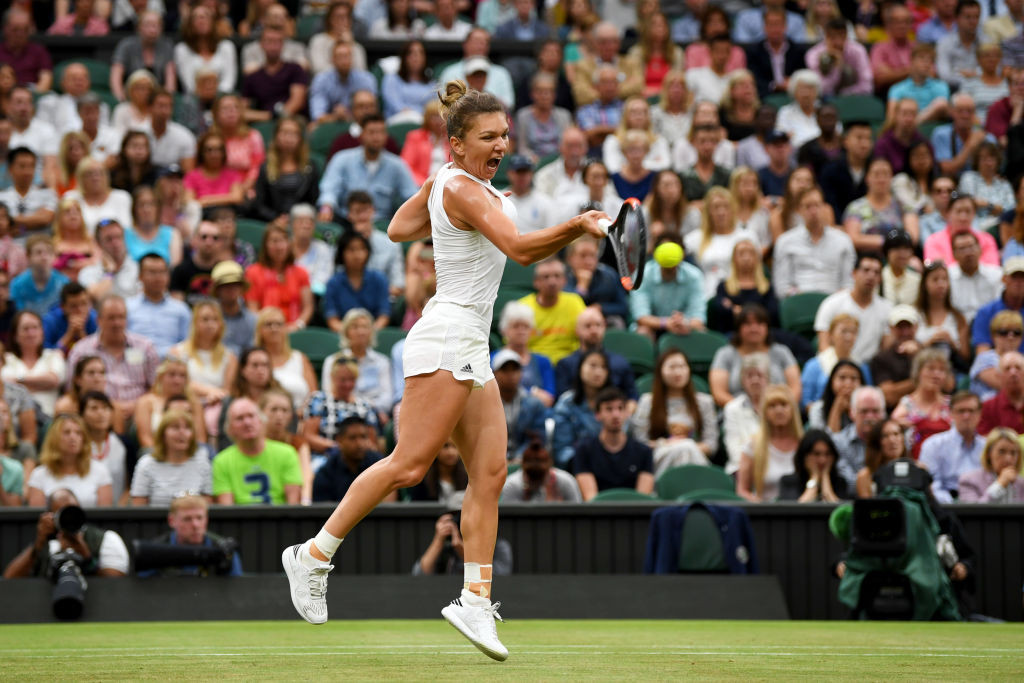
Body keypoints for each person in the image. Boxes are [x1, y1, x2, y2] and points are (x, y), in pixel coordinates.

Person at [280, 82, 608, 661]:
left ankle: (474, 600)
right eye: (488, 137)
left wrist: (434, 190)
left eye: (504, 135)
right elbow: (521, 251)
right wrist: (577, 224)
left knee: (490, 472)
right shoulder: (462, 187)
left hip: (471, 341)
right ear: (456, 143)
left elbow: (397, 229)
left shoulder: (456, 185)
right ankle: (313, 555)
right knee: (409, 466)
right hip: (448, 333)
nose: (501, 145)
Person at [2, 488, 129, 580]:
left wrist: (87, 558)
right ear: (50, 516)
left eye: (73, 511)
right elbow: (9, 580)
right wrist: (37, 546)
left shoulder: (106, 539)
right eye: (62, 514)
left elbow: (116, 585)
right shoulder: (44, 543)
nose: (69, 519)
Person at [66, 295, 160, 416]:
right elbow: (71, 390)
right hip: (97, 414)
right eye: (111, 318)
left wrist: (137, 406)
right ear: (99, 320)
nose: (117, 323)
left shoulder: (145, 347)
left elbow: (156, 388)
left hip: (139, 413)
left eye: (121, 317)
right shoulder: (82, 350)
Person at [631, 349, 718, 477]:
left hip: (694, 455)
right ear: (660, 371)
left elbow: (711, 445)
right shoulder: (648, 401)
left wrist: (685, 447)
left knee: (685, 447)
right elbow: (640, 442)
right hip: (661, 456)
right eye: (672, 367)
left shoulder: (705, 402)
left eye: (682, 366)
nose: (678, 372)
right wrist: (666, 444)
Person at [318, 114, 418, 223]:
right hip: (346, 220)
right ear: (361, 135)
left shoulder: (397, 165)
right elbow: (329, 189)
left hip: (381, 223)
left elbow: (412, 195)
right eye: (371, 132)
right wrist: (326, 208)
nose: (376, 137)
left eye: (381, 132)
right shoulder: (342, 159)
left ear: (386, 136)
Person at [709, 303, 801, 408]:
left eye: (759, 323)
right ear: (738, 328)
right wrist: (746, 409)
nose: (754, 328)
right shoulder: (725, 354)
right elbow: (718, 393)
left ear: (767, 327)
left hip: (778, 411)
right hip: (737, 412)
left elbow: (795, 389)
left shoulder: (782, 352)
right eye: (748, 324)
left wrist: (775, 409)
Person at [214, 397, 302, 505]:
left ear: (262, 421)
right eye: (239, 418)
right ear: (230, 429)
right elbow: (226, 509)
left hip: (280, 515)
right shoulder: (222, 462)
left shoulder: (287, 453)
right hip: (239, 516)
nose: (247, 422)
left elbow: (293, 505)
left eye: (251, 416)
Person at [772, 186, 856, 298]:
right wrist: (803, 298)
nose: (813, 211)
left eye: (817, 205)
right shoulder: (785, 242)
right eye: (808, 206)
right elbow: (782, 287)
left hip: (834, 300)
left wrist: (834, 301)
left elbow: (848, 284)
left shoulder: (843, 241)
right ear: (799, 210)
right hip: (799, 301)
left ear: (825, 208)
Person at [573, 387, 654, 501]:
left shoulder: (644, 452)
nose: (616, 414)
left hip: (633, 512)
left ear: (627, 413)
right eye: (609, 409)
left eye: (620, 408)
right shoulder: (584, 450)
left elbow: (642, 500)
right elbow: (591, 499)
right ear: (597, 415)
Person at [813, 254, 893, 364]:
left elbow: (886, 348)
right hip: (835, 365)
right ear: (854, 273)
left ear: (880, 279)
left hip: (869, 368)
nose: (871, 276)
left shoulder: (887, 308)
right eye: (866, 270)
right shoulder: (831, 303)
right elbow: (823, 345)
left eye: (876, 272)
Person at [137, 494, 242, 577]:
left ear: (206, 519)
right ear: (171, 521)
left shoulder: (224, 550)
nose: (195, 525)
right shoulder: (156, 551)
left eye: (199, 518)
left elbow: (237, 590)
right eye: (187, 519)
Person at [320, 308, 394, 421]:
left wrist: (364, 405)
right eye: (355, 327)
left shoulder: (382, 361)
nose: (361, 332)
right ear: (346, 332)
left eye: (365, 327)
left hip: (374, 414)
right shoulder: (332, 361)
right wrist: (360, 404)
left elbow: (387, 399)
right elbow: (328, 394)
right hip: (340, 413)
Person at [26, 414, 113, 508]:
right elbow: (37, 514)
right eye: (67, 432)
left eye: (78, 433)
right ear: (54, 438)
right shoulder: (39, 475)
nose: (73, 437)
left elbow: (104, 514)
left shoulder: (100, 471)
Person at [129, 409, 212, 507]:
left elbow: (207, 508)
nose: (182, 432)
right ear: (162, 434)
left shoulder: (203, 465)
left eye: (187, 428)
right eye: (175, 427)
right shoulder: (146, 464)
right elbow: (138, 509)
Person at [736, 385, 803, 502]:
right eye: (772, 406)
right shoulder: (752, 446)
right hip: (765, 510)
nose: (779, 411)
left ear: (793, 410)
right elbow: (742, 490)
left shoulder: (804, 444)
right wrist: (758, 504)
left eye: (784, 405)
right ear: (764, 412)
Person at [303, 355, 381, 455]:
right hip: (327, 455)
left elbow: (372, 443)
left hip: (359, 457)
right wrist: (339, 449)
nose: (347, 384)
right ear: (333, 377)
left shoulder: (364, 406)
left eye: (352, 379)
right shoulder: (319, 400)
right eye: (343, 380)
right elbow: (308, 436)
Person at [919, 391, 985, 503]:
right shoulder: (933, 445)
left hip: (983, 504)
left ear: (979, 414)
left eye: (971, 411)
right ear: (951, 413)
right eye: (961, 411)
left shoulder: (988, 447)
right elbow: (932, 484)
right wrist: (954, 504)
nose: (966, 416)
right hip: (945, 504)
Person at [519, 258, 587, 365]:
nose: (552, 282)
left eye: (557, 276)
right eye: (546, 277)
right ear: (536, 282)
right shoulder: (522, 307)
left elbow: (586, 334)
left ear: (564, 280)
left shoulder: (575, 302)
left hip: (569, 364)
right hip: (534, 364)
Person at [313, 415, 392, 503]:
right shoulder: (326, 473)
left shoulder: (379, 465)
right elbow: (323, 508)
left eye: (363, 437)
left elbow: (389, 502)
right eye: (352, 438)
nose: (359, 444)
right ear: (339, 440)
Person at [127, 253, 192, 358]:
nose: (158, 277)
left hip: (171, 362)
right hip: (136, 362)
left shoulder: (181, 310)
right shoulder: (128, 307)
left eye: (162, 272)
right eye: (152, 272)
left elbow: (188, 344)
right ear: (140, 276)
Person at [891, 349, 953, 457]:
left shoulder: (951, 404)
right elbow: (893, 423)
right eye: (931, 369)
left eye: (942, 370)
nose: (936, 375)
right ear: (918, 372)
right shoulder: (907, 403)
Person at [324, 230, 390, 331]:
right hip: (342, 335)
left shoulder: (379, 279)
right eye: (351, 249)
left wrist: (367, 332)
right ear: (342, 253)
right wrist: (351, 333)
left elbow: (384, 315)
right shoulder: (333, 283)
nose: (357, 255)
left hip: (373, 334)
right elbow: (332, 319)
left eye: (361, 249)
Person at [491, 349, 549, 461]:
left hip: (526, 462)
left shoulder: (535, 405)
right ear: (494, 373)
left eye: (515, 369)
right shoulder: (485, 405)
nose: (510, 374)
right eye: (505, 370)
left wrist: (519, 458)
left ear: (521, 372)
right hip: (492, 461)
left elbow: (537, 439)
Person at [496, 302, 556, 404]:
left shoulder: (543, 361)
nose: (521, 331)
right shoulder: (493, 359)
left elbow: (548, 399)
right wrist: (533, 392)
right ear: (504, 330)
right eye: (515, 326)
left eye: (526, 326)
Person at [110, 10, 176, 99]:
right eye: (148, 25)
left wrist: (166, 99)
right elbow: (116, 75)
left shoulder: (166, 46)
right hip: (131, 97)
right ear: (138, 27)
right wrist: (120, 98)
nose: (152, 30)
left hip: (156, 99)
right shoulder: (126, 45)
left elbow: (170, 80)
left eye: (156, 25)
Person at [174, 3, 238, 95]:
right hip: (194, 99)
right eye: (196, 17)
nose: (201, 20)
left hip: (222, 98)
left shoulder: (227, 47)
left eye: (205, 16)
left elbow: (228, 82)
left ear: (213, 22)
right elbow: (189, 85)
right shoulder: (182, 50)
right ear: (190, 24)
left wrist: (218, 97)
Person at [501, 436, 582, 502]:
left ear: (550, 468)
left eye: (541, 477)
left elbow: (577, 513)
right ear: (523, 469)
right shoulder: (512, 485)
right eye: (532, 477)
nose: (537, 483)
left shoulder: (567, 482)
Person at [777, 430, 848, 502]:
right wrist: (814, 477)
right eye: (817, 454)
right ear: (804, 456)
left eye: (827, 454)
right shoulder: (788, 482)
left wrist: (826, 479)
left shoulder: (840, 483)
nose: (823, 460)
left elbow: (838, 507)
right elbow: (797, 507)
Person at [972, 257, 1024, 353]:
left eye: (1022, 277)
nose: (1019, 282)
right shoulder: (985, 313)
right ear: (1004, 279)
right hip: (996, 361)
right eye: (1014, 277)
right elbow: (982, 353)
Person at [949, 231, 1003, 323]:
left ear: (980, 249)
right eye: (962, 249)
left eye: (971, 247)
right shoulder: (947, 277)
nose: (968, 253)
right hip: (958, 325)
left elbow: (1000, 307)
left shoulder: (996, 274)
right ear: (954, 254)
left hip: (990, 324)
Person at [958, 427, 1024, 502]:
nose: (1008, 459)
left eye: (1013, 453)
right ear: (988, 454)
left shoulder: (1021, 484)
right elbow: (973, 509)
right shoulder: (969, 481)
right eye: (1002, 451)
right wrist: (999, 485)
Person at [969, 311, 1023, 401]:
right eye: (1004, 332)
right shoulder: (984, 358)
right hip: (986, 406)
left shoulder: (1022, 359)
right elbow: (1006, 386)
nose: (1011, 337)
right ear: (993, 336)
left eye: (1016, 332)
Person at [856, 417, 915, 498]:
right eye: (885, 436)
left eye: (896, 434)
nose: (892, 440)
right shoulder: (866, 476)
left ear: (903, 438)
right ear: (877, 442)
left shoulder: (917, 470)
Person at [184, 131, 245, 209]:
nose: (214, 155)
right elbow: (188, 201)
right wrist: (225, 199)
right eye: (209, 150)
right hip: (202, 214)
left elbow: (237, 197)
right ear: (202, 153)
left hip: (227, 213)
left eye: (218, 149)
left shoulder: (232, 174)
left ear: (224, 153)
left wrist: (207, 200)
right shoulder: (192, 176)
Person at [10, 235, 68, 316]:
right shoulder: (17, 285)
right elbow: (18, 314)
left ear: (54, 256)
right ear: (28, 256)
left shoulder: (64, 283)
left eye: (49, 252)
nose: (44, 257)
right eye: (38, 252)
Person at [0, 8, 53, 92]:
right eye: (15, 29)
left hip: (31, 93)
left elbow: (46, 79)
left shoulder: (39, 51)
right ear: (5, 28)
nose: (20, 34)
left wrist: (33, 96)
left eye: (25, 30)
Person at [170, 221, 222, 304]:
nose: (209, 242)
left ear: (220, 243)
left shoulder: (225, 271)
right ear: (194, 240)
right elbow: (177, 306)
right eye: (204, 237)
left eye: (215, 238)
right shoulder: (180, 271)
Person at [978, 351, 1024, 434]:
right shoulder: (988, 408)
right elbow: (985, 438)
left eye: (1018, 368)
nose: (1013, 373)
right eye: (1007, 369)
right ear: (999, 376)